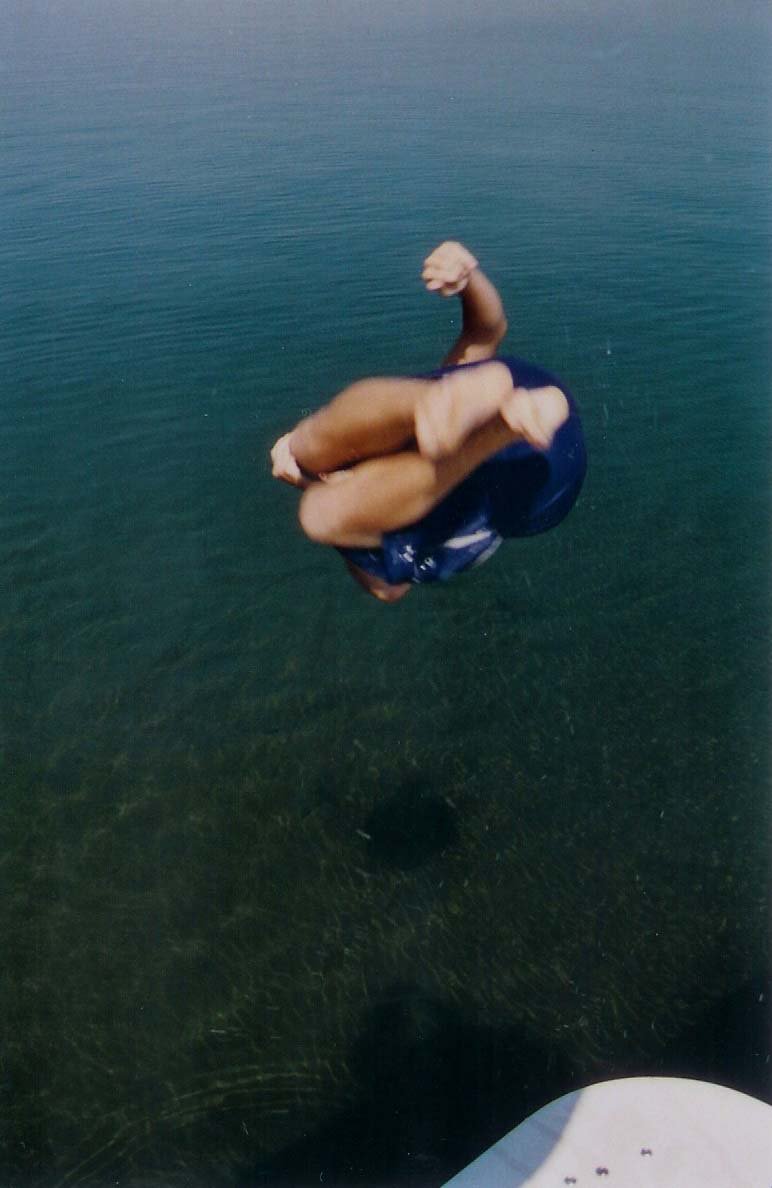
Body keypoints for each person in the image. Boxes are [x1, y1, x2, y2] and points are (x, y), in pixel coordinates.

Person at [270, 241, 586, 603]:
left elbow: (389, 589)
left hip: (532, 475)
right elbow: (487, 331)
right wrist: (468, 279)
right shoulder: (432, 419)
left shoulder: (403, 510)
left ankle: (488, 433)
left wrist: (309, 484)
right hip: (530, 392)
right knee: (311, 462)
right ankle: (465, 420)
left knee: (319, 509)